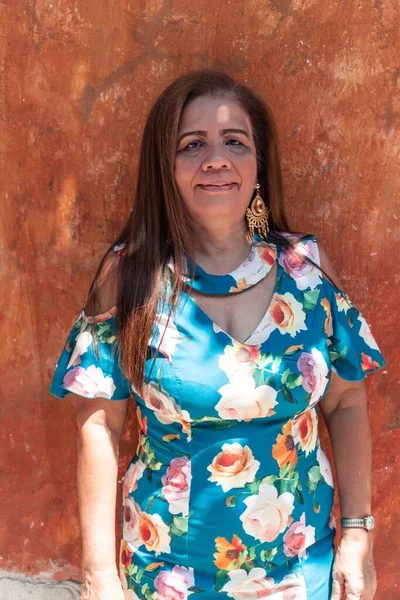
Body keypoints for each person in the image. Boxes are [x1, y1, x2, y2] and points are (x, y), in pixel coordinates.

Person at [49, 70, 385, 600]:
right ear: (166, 166)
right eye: (192, 145)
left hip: (301, 567)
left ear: (258, 163)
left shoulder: (306, 270)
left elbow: (345, 402)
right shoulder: (131, 277)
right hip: (168, 574)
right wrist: (99, 576)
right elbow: (100, 423)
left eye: (235, 141)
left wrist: (357, 536)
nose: (216, 158)